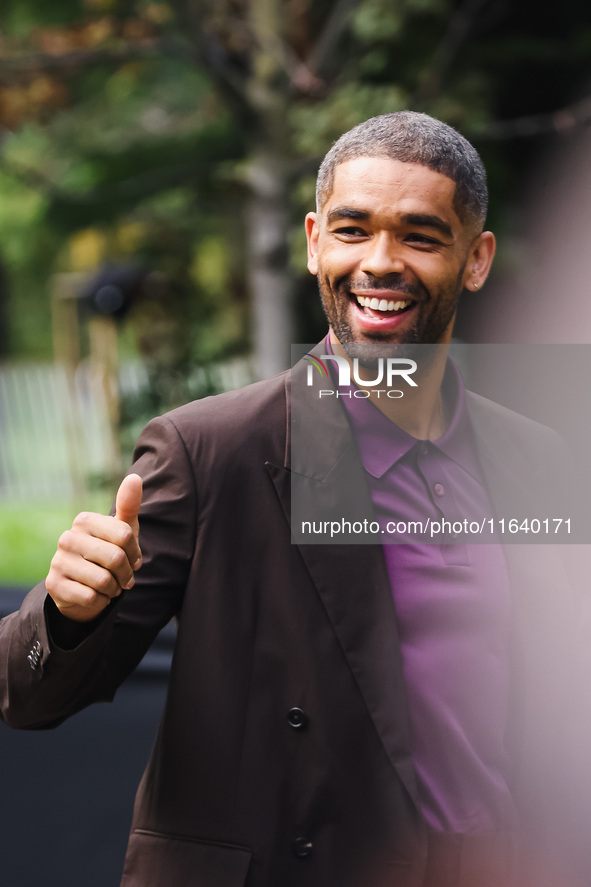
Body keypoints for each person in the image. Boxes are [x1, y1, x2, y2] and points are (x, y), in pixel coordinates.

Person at [0, 112, 586, 887]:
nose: (380, 262)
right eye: (352, 230)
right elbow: (28, 695)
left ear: (475, 259)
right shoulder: (212, 451)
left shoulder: (532, 457)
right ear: (314, 242)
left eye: (419, 235)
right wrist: (68, 613)